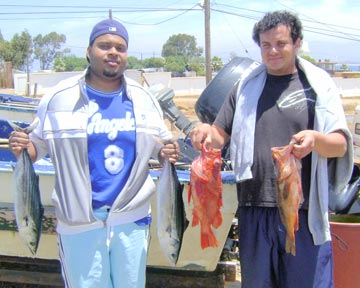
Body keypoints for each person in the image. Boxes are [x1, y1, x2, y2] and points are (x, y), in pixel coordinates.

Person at [9, 18, 179, 288]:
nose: (113, 52)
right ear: (89, 51)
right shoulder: (58, 97)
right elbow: (37, 146)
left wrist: (167, 152)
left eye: (120, 48)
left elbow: (161, 149)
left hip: (131, 220)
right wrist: (22, 146)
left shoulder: (144, 99)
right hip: (79, 223)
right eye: (104, 46)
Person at [189, 10, 353, 288]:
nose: (273, 51)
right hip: (254, 207)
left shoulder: (318, 85)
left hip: (302, 211)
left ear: (297, 43)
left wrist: (316, 139)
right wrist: (205, 132)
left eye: (281, 43)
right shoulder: (244, 87)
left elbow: (339, 145)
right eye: (266, 45)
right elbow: (219, 134)